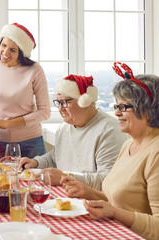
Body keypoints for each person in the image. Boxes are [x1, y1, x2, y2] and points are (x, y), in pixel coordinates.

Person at [60, 63, 159, 240]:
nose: (117, 114)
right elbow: (120, 199)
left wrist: (114, 212)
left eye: (123, 107)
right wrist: (87, 191)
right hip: (115, 231)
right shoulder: (128, 145)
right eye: (116, 107)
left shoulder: (156, 154)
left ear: (148, 112)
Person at [19, 74, 127, 190]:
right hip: (67, 195)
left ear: (84, 102)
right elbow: (55, 158)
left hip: (93, 201)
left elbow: (106, 180)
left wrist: (64, 177)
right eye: (59, 103)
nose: (61, 108)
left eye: (65, 102)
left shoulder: (109, 130)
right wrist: (35, 162)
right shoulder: (64, 128)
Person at [0, 23, 51, 159]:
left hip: (31, 142)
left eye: (13, 50)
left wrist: (7, 123)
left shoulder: (35, 70)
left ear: (21, 52)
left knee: (35, 180)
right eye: (4, 45)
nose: (6, 52)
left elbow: (45, 112)